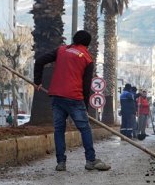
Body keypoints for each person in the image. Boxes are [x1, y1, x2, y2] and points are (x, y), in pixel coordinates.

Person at [33, 30, 110, 172]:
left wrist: (37, 81)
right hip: (75, 98)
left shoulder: (61, 50)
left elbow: (39, 61)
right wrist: (85, 108)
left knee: (59, 130)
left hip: (56, 96)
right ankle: (91, 160)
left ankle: (61, 163)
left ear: (74, 40)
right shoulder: (87, 58)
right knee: (85, 129)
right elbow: (86, 86)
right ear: (88, 44)